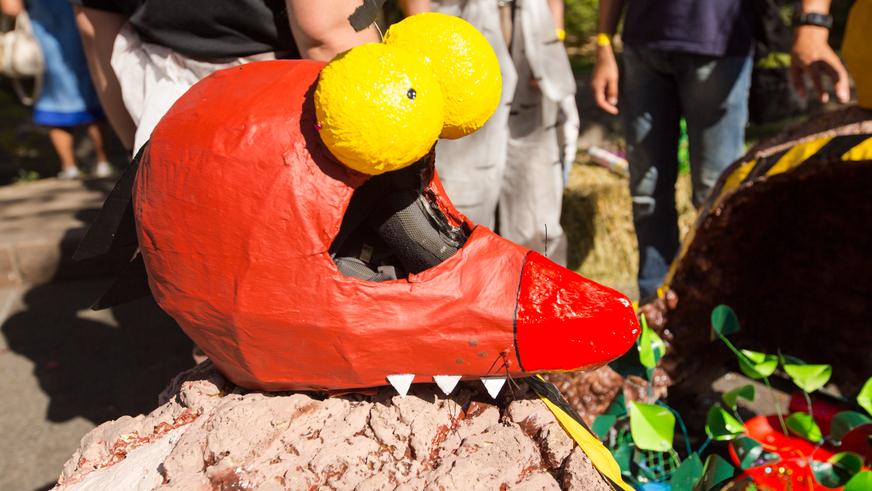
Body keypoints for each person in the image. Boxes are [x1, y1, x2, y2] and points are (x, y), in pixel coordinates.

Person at [592, 0, 754, 301]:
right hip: (642, 47)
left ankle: (718, 307)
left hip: (717, 48)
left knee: (715, 194)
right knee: (647, 192)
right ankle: (654, 305)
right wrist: (603, 43)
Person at [71, 0, 379, 154]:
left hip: (163, 104)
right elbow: (326, 32)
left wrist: (135, 155)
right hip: (288, 105)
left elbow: (95, 28)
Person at [402, 0, 578, 266]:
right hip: (456, 37)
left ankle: (536, 298)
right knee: (460, 201)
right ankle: (462, 293)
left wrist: (555, 34)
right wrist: (425, 46)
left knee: (537, 198)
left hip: (532, 36)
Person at [1, 0, 113, 179]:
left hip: (46, 38)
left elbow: (11, 7)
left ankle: (69, 167)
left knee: (54, 101)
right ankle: (102, 161)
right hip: (81, 29)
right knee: (90, 93)